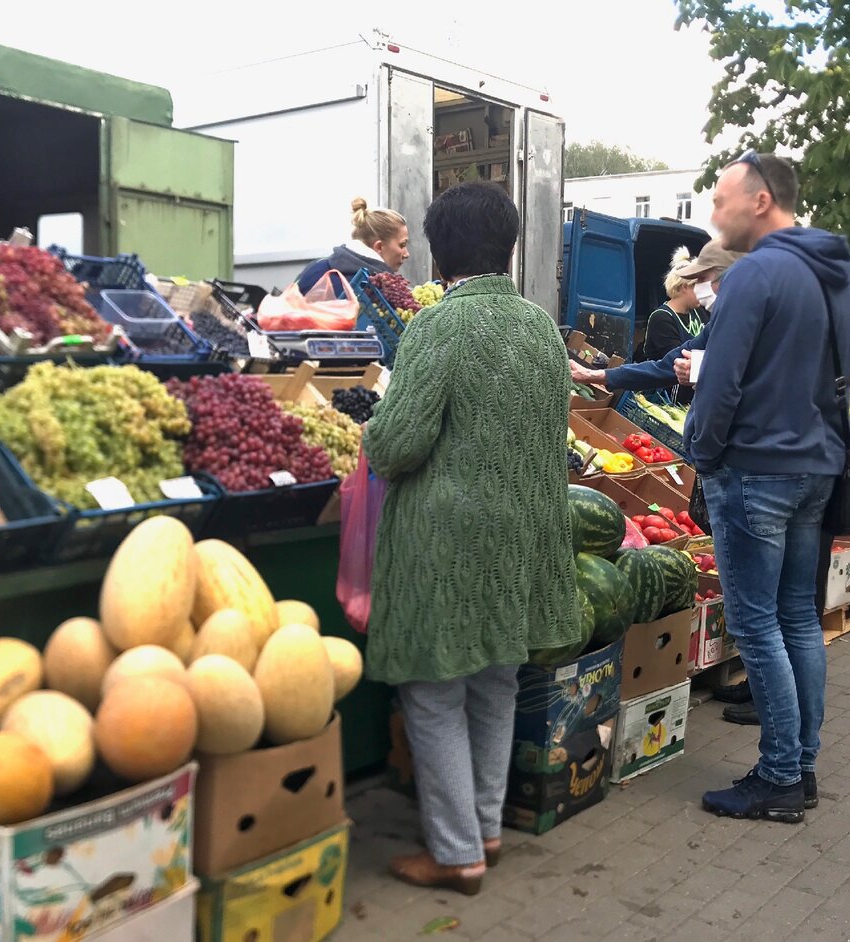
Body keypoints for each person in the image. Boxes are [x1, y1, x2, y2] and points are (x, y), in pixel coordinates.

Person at [362, 181, 580, 895]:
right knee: (495, 683)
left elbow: (397, 444)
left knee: (430, 689)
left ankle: (456, 854)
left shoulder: (438, 327)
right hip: (523, 535)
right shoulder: (541, 328)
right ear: (507, 247)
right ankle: (484, 828)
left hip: (449, 538)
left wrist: (370, 429)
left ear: (440, 249)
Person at [686, 150, 850, 824]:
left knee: (757, 625)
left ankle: (780, 777)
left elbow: (720, 384)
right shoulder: (834, 276)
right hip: (815, 466)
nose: (714, 211)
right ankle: (801, 764)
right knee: (797, 619)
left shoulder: (755, 274)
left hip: (756, 469)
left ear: (761, 201)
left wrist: (702, 457)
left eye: (721, 198)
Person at [569, 239, 742, 393]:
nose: (699, 289)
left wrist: (703, 369)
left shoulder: (755, 320)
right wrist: (593, 374)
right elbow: (665, 367)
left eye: (703, 279)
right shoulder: (716, 324)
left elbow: (756, 374)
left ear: (727, 277)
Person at [294, 198, 409, 294]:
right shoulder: (371, 291)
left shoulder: (317, 265)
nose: (406, 254)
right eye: (402, 245)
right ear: (379, 247)